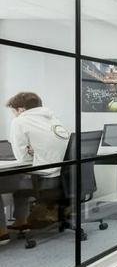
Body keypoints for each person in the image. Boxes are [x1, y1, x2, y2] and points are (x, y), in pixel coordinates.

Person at [0, 92, 69, 244]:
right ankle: (21, 223)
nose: (13, 115)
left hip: (43, 176)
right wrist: (36, 152)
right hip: (60, 176)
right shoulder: (53, 118)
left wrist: (30, 154)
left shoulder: (20, 121)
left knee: (16, 185)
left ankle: (2, 233)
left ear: (21, 109)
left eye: (13, 111)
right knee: (20, 192)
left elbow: (22, 158)